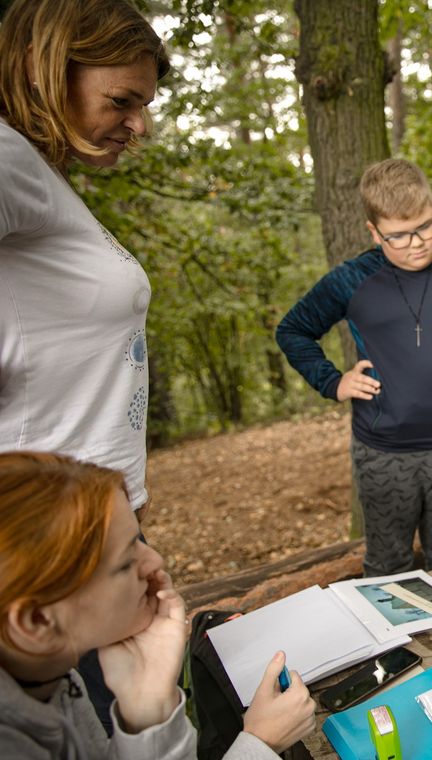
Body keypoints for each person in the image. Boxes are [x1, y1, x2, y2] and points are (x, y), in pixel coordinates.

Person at [0, 0, 170, 731]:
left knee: (121, 721)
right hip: (58, 556)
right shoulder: (7, 158)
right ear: (47, 72)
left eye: (145, 105)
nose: (138, 125)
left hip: (103, 533)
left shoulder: (38, 177)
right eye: (121, 101)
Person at [276, 158, 432, 578]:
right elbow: (294, 330)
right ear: (373, 232)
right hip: (383, 451)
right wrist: (334, 382)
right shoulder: (351, 280)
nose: (416, 243)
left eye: (427, 226)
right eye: (397, 235)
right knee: (388, 566)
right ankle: (396, 646)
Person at [0, 451, 316, 758]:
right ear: (36, 621)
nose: (155, 561)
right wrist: (260, 745)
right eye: (125, 563)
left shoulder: (50, 677)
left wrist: (148, 711)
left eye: (138, 540)